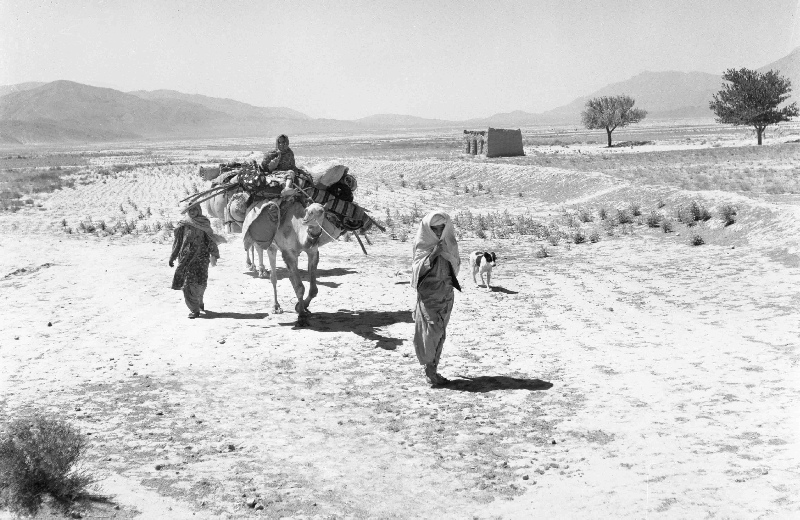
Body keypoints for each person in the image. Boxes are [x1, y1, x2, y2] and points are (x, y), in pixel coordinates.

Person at [411, 210, 461, 386]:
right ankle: (429, 369)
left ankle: (433, 369)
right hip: (429, 296)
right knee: (432, 332)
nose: (439, 232)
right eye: (435, 229)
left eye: (441, 228)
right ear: (428, 229)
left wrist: (445, 252)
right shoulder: (423, 245)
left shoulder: (449, 243)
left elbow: (456, 264)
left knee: (440, 333)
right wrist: (433, 254)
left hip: (446, 294)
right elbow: (417, 271)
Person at [169, 204, 225, 319]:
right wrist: (173, 256)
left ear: (199, 210)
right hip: (186, 258)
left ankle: (199, 300)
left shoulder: (204, 223)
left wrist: (214, 253)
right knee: (186, 285)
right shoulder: (183, 224)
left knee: (200, 282)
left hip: (202, 258)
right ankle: (194, 309)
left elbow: (210, 240)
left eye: (195, 209)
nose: (192, 212)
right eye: (190, 210)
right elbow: (178, 242)